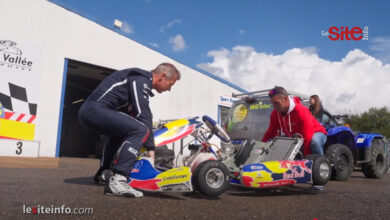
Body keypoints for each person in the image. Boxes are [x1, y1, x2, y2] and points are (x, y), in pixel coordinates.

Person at [79, 63, 180, 197]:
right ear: (162, 77)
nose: (169, 89)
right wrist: (151, 147)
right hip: (94, 110)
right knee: (141, 129)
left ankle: (104, 173)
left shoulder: (138, 80)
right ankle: (120, 180)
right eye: (171, 84)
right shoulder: (140, 78)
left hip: (90, 111)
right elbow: (143, 113)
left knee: (120, 134)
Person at [262, 86, 327, 156]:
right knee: (278, 142)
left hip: (316, 132)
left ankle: (321, 164)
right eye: (272, 104)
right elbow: (271, 132)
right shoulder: (275, 114)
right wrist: (262, 147)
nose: (274, 106)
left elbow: (308, 137)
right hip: (297, 136)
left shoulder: (301, 111)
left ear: (285, 99)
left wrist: (306, 159)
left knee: (315, 142)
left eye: (277, 103)